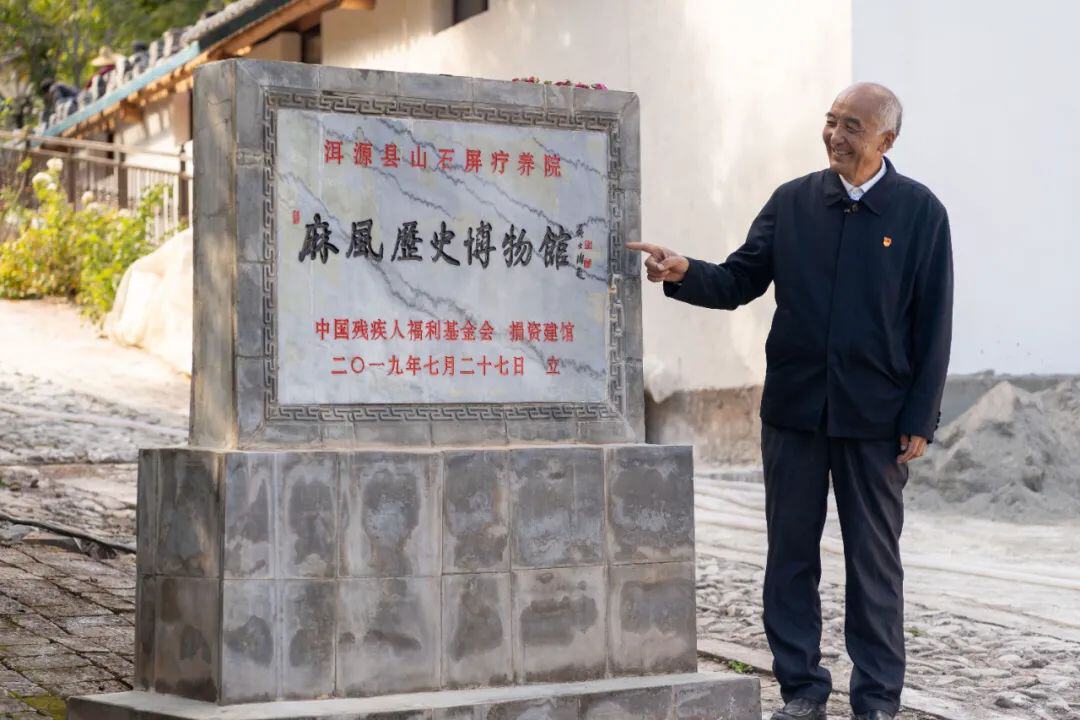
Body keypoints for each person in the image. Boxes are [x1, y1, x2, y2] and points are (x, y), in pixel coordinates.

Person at [629, 83, 953, 720]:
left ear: (886, 141)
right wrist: (684, 270)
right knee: (789, 558)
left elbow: (933, 322)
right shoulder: (793, 202)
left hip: (876, 420)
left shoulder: (920, 213)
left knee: (874, 565)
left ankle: (877, 701)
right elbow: (739, 279)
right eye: (831, 121)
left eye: (853, 126)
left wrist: (921, 416)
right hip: (795, 413)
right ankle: (802, 691)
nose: (836, 136)